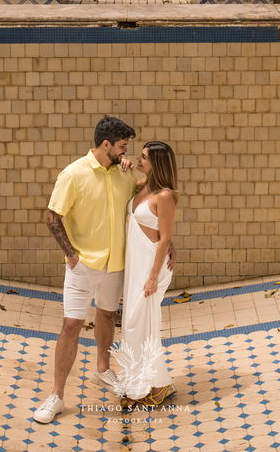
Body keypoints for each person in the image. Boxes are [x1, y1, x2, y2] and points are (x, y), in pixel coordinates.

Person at [35, 116, 151, 423]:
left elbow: (143, 196)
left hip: (115, 266)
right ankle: (57, 395)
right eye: (123, 147)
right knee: (71, 326)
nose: (126, 152)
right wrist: (72, 256)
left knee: (106, 314)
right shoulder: (73, 174)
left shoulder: (123, 174)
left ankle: (103, 369)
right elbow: (51, 217)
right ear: (106, 144)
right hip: (83, 265)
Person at [113, 140, 178, 406]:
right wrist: (124, 165)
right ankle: (143, 382)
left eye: (143, 158)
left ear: (157, 163)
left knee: (142, 326)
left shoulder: (165, 195)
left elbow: (164, 239)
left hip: (151, 268)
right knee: (135, 325)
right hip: (136, 265)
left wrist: (152, 277)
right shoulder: (143, 186)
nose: (138, 160)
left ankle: (157, 385)